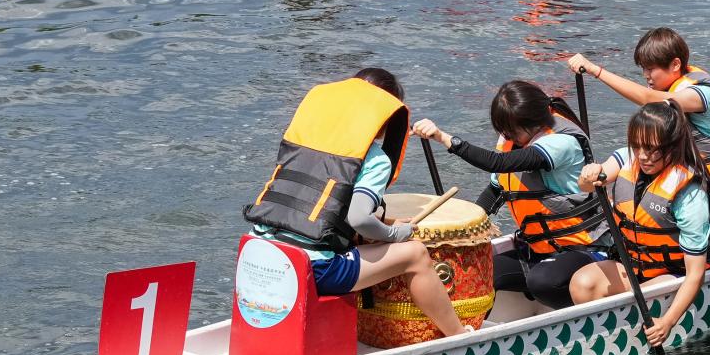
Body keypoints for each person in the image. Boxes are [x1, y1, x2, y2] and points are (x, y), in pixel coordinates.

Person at [244, 73, 467, 337]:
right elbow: (360, 220)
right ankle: (459, 337)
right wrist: (397, 234)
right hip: (311, 268)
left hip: (256, 253)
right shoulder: (374, 159)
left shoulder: (304, 138)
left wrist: (385, 225)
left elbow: (318, 208)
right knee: (415, 255)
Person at [413, 80, 604, 309]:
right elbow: (495, 191)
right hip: (536, 249)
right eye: (502, 130)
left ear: (534, 123)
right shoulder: (513, 140)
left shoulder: (561, 143)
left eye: (511, 131)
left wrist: (444, 138)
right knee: (473, 274)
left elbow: (498, 163)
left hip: (583, 249)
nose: (507, 136)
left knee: (542, 282)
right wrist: (457, 235)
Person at [565, 28, 710, 214]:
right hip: (688, 191)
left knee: (698, 211)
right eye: (643, 69)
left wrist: (594, 70)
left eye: (650, 69)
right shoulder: (665, 101)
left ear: (675, 65)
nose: (645, 75)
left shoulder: (705, 94)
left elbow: (646, 97)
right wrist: (590, 175)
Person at [567, 104, 710, 348]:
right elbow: (589, 185)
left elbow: (696, 273)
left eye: (652, 149)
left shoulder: (689, 194)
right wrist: (587, 176)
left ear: (672, 146)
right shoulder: (627, 158)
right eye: (637, 146)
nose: (643, 156)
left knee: (643, 292)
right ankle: (611, 337)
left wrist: (668, 322)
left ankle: (636, 333)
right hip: (636, 267)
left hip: (674, 274)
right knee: (583, 284)